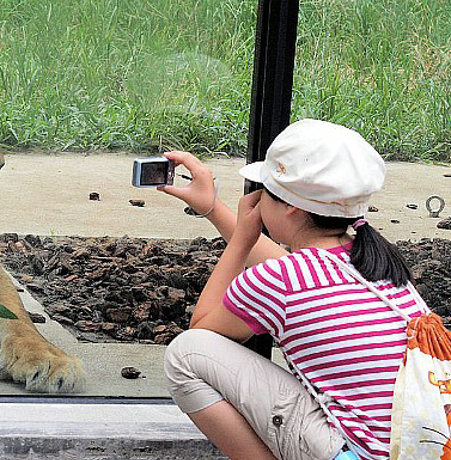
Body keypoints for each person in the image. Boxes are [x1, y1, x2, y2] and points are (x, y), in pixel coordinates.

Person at [158, 119, 429, 460]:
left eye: (263, 190)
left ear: (290, 206)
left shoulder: (281, 280)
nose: (255, 198)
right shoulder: (375, 258)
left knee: (186, 354)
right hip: (423, 446)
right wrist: (213, 208)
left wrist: (242, 238)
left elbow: (203, 331)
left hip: (362, 456)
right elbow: (288, 272)